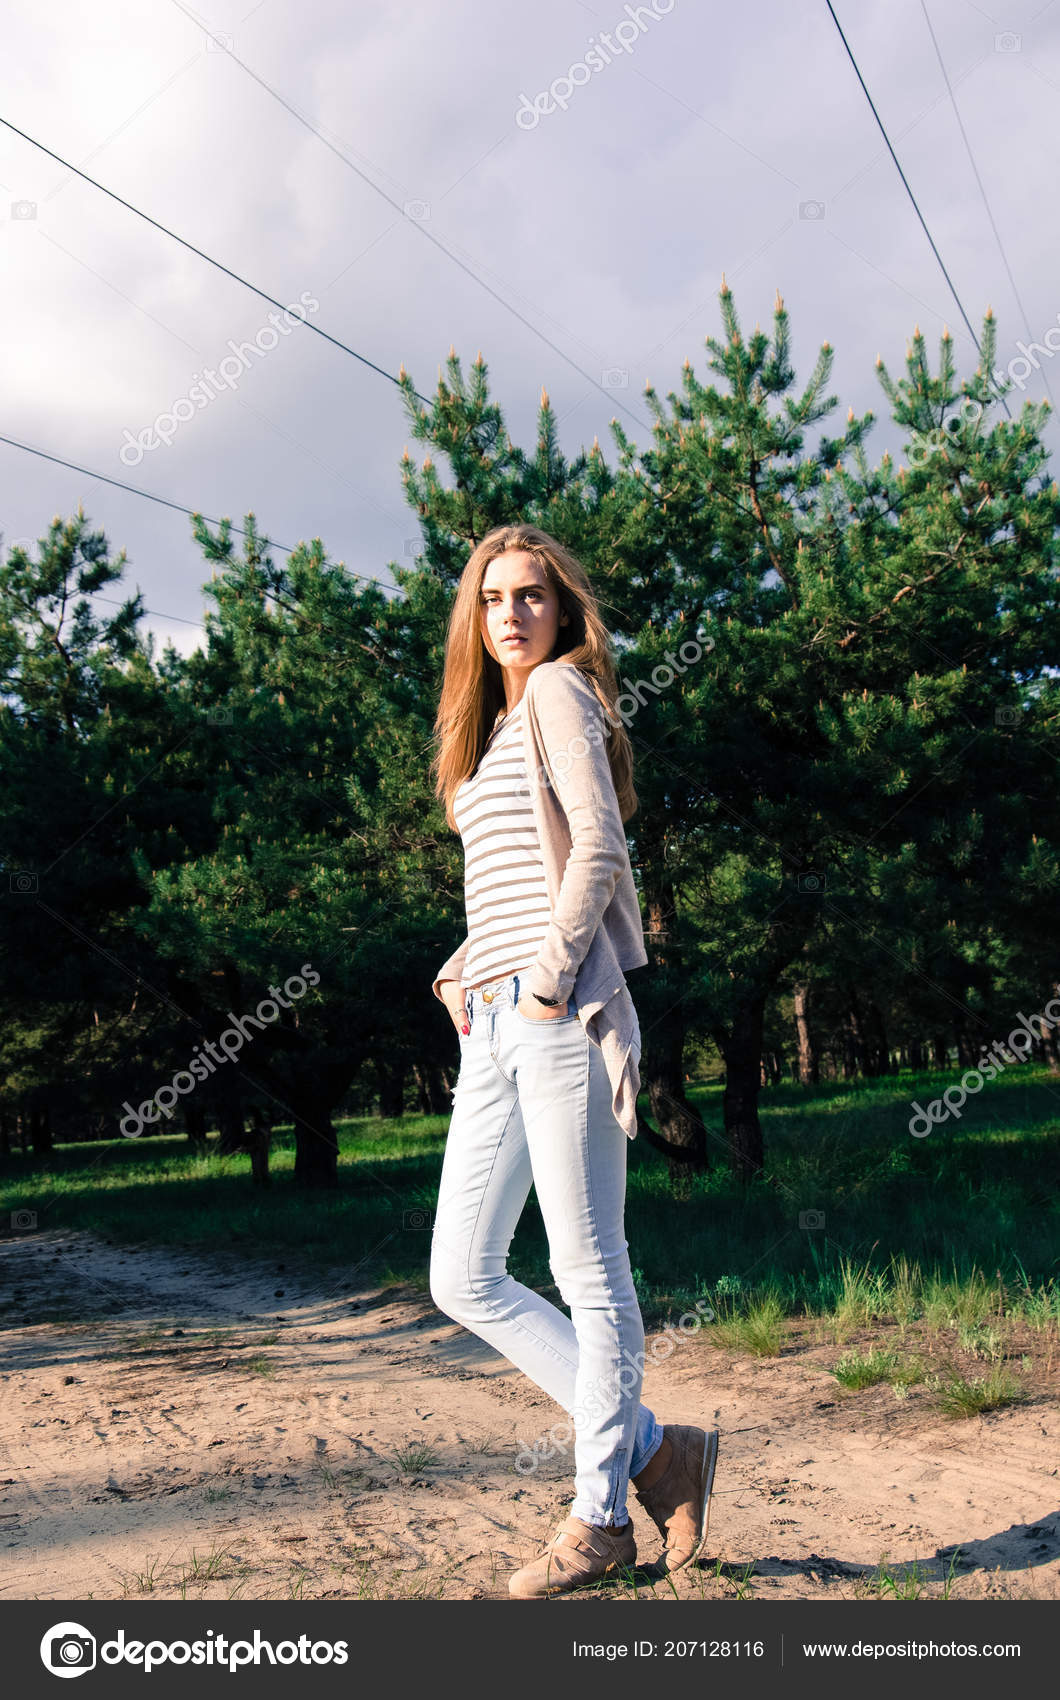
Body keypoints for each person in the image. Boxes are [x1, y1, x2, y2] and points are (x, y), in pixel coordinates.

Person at [427, 522, 718, 1598]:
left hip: (552, 1012)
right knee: (462, 1273)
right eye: (492, 597)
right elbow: (509, 875)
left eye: (531, 595)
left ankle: (598, 1519)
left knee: (589, 1269)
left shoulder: (558, 691)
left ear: (561, 609)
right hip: (491, 1021)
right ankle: (657, 1453)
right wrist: (462, 967)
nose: (510, 614)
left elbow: (597, 845)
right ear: (474, 616)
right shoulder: (488, 728)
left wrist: (547, 979)